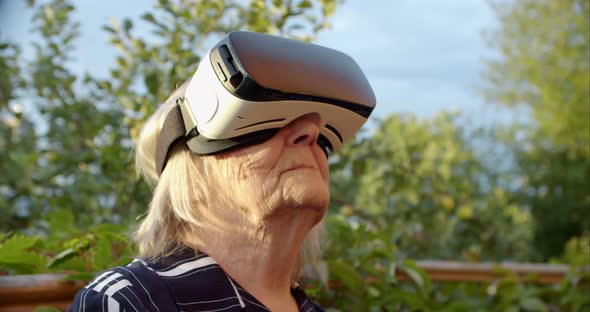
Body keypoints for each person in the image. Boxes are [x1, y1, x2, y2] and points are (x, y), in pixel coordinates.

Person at [69, 31, 374, 312]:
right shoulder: (128, 302)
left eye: (322, 135)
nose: (309, 132)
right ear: (189, 173)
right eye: (263, 120)